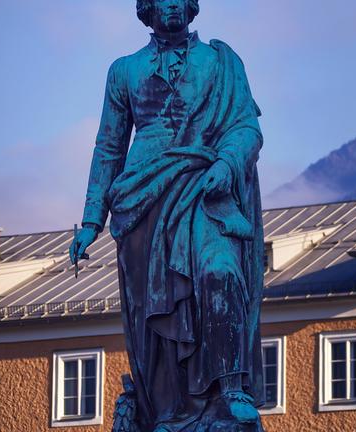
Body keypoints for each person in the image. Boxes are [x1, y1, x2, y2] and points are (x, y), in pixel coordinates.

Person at [69, 0, 265, 430]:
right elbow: (109, 146)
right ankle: (170, 409)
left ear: (192, 5)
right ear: (147, 7)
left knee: (220, 271)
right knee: (153, 316)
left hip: (205, 186)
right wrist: (90, 220)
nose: (172, 2)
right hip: (142, 201)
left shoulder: (221, 62)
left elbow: (246, 128)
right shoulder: (124, 70)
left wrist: (227, 164)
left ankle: (230, 387)